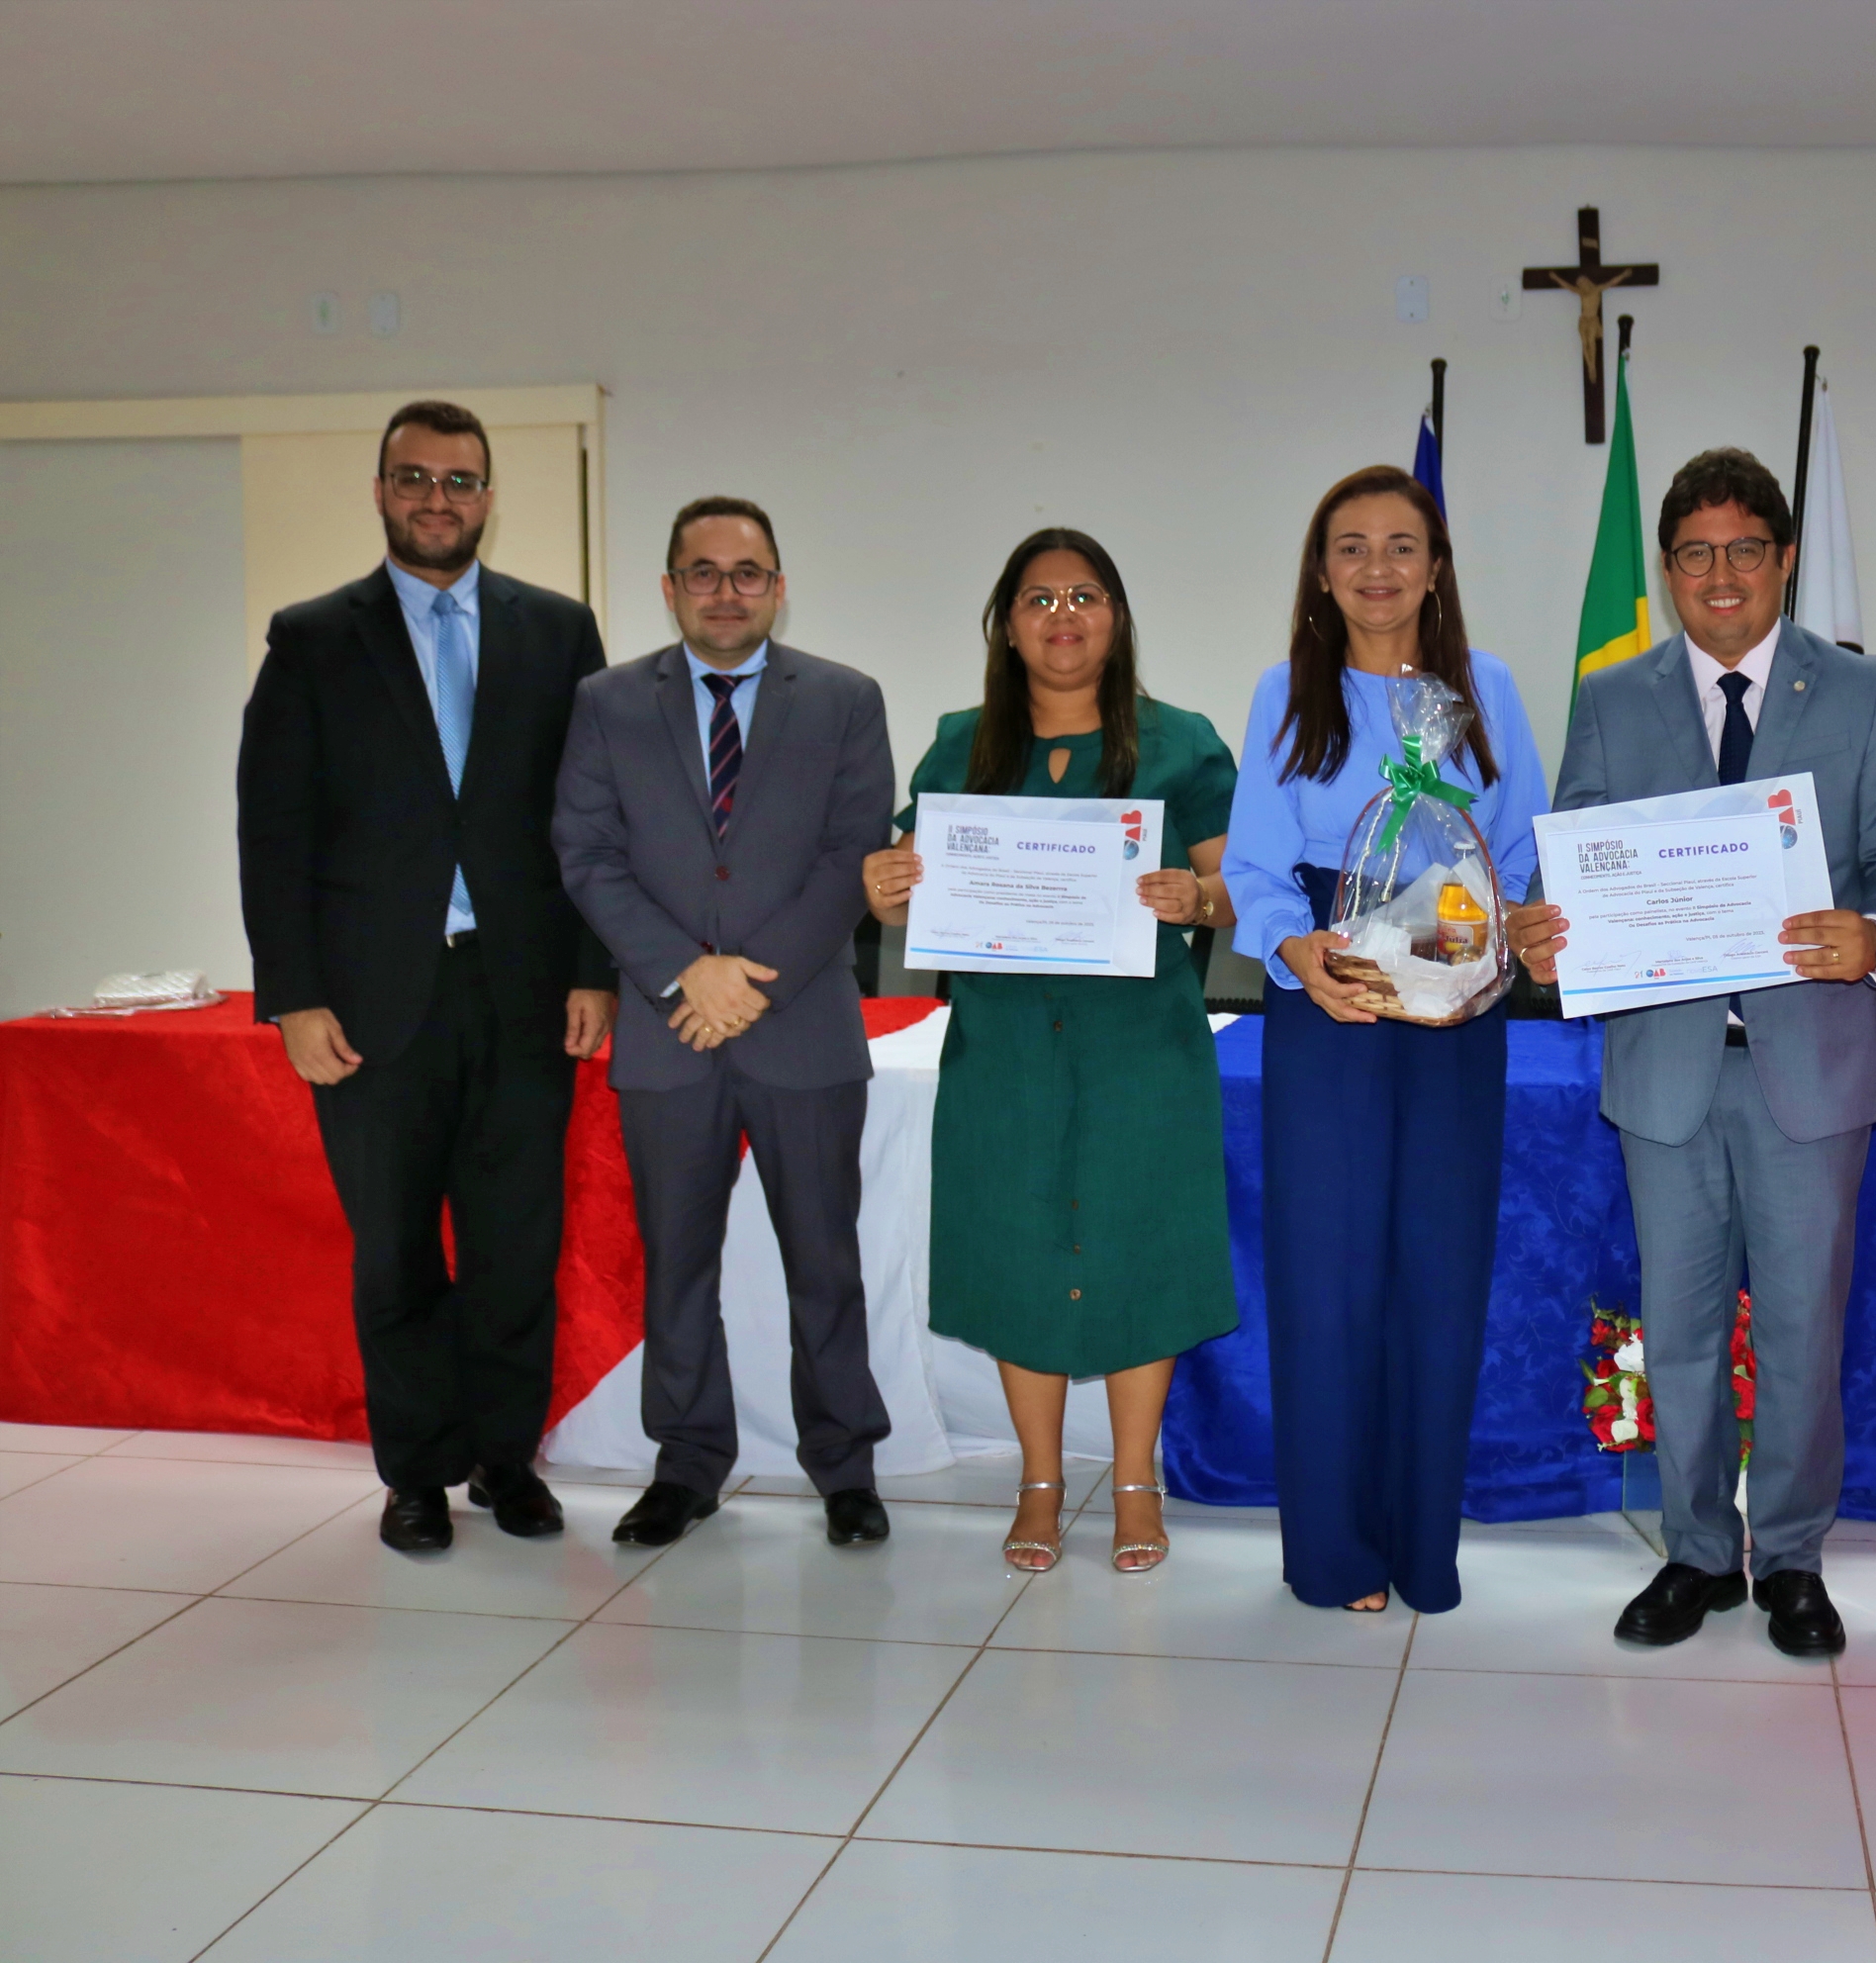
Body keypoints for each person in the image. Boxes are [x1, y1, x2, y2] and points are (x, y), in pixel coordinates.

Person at [1508, 448, 1876, 1659]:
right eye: (1695, 553)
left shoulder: (1864, 689)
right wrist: (1545, 928)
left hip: (1813, 1066)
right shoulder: (1612, 697)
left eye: (1746, 548)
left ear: (1784, 558)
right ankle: (1697, 1551)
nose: (1721, 574)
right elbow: (1575, 860)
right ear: (1668, 569)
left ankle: (1791, 1557)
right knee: (1678, 1332)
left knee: (1801, 1330)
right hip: (1667, 1068)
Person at [237, 399, 613, 1554]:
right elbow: (273, 830)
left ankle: (506, 1459)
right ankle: (414, 1473)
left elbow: (591, 818)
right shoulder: (312, 638)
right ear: (381, 490)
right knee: (396, 1251)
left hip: (523, 991)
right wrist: (293, 995)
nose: (436, 499)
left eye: (458, 480)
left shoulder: (559, 632)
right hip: (369, 1004)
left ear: (488, 496)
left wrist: (593, 969)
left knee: (515, 1247)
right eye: (414, 477)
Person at [862, 529, 1240, 1573]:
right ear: (1006, 625)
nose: (1062, 616)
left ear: (1116, 617)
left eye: (1084, 596)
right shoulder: (959, 743)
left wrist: (1196, 896)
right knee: (1016, 1247)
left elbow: (1239, 889)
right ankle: (1038, 1480)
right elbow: (910, 877)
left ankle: (1134, 1480)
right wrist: (885, 884)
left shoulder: (1180, 740)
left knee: (1140, 1246)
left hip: (1142, 1049)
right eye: (1038, 599)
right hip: (1006, 1049)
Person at [1221, 465, 1548, 1614]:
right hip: (1335, 997)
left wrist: (1515, 930)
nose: (1377, 568)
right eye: (1351, 546)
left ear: (1436, 566)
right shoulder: (1284, 693)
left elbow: (1521, 848)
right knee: (1328, 1276)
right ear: (1321, 572)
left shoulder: (1487, 687)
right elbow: (1255, 864)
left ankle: (1423, 1546)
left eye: (1402, 545)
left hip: (1457, 1000)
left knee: (1439, 1273)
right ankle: (1336, 1552)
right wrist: (1298, 952)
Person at [552, 497, 898, 1550]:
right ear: (670, 589)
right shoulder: (607, 703)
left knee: (825, 1262)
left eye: (747, 572)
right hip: (671, 1032)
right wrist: (683, 976)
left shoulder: (844, 699)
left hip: (802, 1027)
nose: (725, 591)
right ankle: (687, 1463)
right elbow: (585, 854)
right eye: (702, 572)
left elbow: (854, 855)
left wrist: (750, 985)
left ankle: (844, 1465)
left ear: (779, 588)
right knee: (678, 1264)